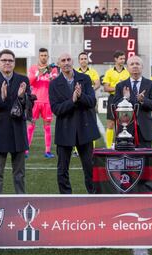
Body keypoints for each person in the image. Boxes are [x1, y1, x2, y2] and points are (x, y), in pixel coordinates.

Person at [49, 53, 100, 194]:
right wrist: (72, 101)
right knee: (62, 169)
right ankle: (66, 197)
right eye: (63, 60)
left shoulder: (85, 78)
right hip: (65, 130)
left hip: (85, 128)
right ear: (59, 64)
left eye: (68, 60)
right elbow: (56, 109)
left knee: (89, 167)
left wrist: (80, 96)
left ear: (73, 62)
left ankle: (93, 196)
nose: (66, 62)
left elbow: (92, 102)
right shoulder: (53, 84)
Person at [0, 49, 31, 194]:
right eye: (4, 60)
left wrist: (22, 97)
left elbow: (30, 106)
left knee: (19, 174)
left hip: (18, 131)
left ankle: (21, 201)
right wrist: (0, 98)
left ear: (14, 63)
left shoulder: (24, 80)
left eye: (10, 60)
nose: (7, 63)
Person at [113, 55, 152, 148]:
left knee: (145, 160)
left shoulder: (151, 84)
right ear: (127, 68)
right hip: (125, 130)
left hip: (145, 130)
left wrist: (143, 100)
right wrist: (126, 99)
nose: (135, 66)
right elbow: (115, 106)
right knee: (126, 160)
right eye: (132, 64)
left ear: (142, 67)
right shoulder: (120, 85)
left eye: (137, 64)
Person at [27, 48, 58, 158]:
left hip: (47, 102)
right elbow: (29, 82)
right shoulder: (33, 68)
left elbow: (55, 83)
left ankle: (48, 151)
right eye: (42, 55)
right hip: (35, 101)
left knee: (47, 127)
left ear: (48, 57)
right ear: (38, 57)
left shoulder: (53, 69)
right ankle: (25, 150)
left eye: (45, 55)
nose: (44, 57)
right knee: (31, 125)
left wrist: (49, 73)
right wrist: (38, 73)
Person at [72, 52, 101, 156]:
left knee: (91, 122)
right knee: (77, 123)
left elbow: (97, 83)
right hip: (78, 101)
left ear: (87, 60)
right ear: (79, 61)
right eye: (82, 59)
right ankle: (76, 150)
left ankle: (91, 148)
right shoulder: (74, 72)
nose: (83, 60)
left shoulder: (93, 72)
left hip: (88, 100)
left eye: (85, 58)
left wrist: (89, 90)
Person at [102, 50, 130, 148]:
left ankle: (120, 144)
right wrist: (118, 88)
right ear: (115, 59)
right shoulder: (109, 72)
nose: (123, 60)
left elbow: (129, 88)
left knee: (123, 123)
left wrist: (116, 87)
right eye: (121, 58)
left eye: (124, 58)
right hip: (113, 98)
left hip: (125, 99)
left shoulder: (128, 72)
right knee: (110, 123)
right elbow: (106, 88)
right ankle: (109, 147)